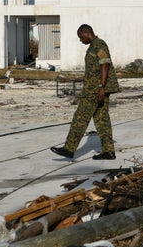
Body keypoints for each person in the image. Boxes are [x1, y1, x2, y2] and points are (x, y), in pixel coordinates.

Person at [51, 24, 119, 160]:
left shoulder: (99, 45)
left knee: (80, 117)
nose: (80, 40)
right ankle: (108, 151)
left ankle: (69, 149)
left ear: (87, 33)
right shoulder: (94, 46)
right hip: (96, 88)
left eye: (81, 37)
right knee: (101, 119)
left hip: (95, 90)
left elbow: (105, 64)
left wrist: (101, 87)